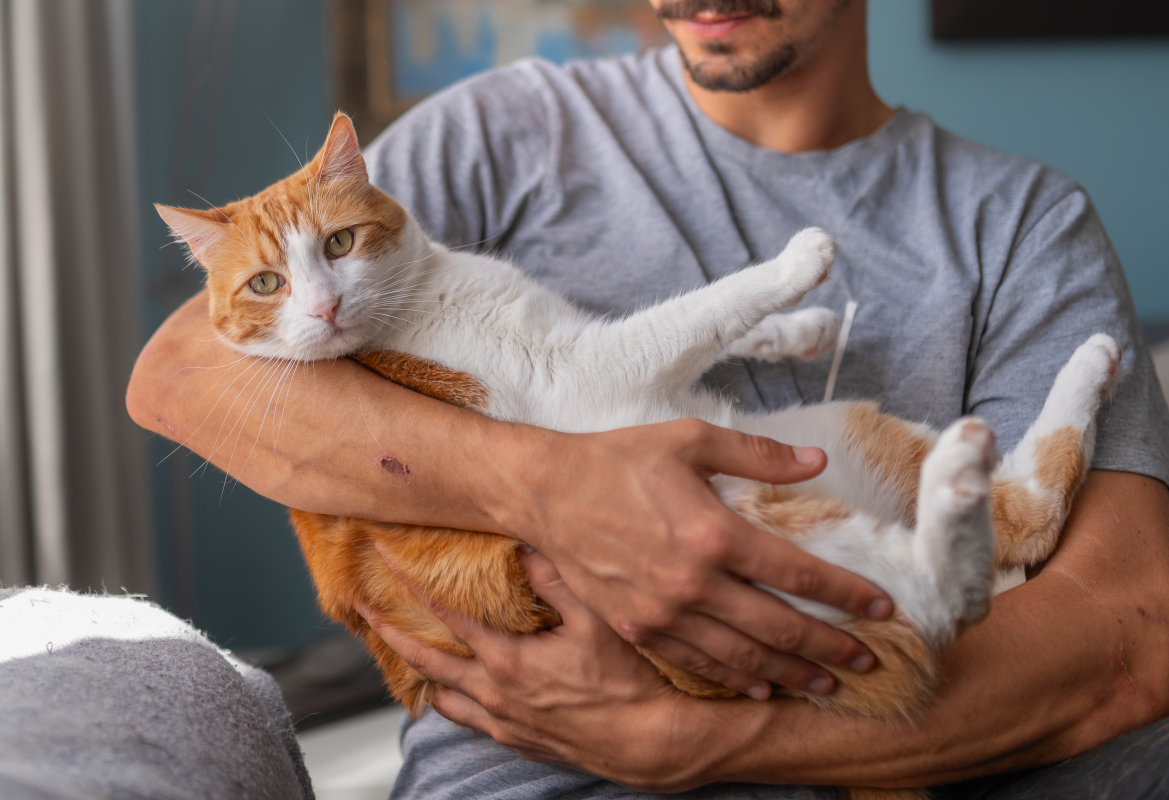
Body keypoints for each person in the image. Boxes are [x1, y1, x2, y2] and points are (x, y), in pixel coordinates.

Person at [126, 0, 1169, 796]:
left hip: (878, 729)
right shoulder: (508, 126)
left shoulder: (1024, 222)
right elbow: (179, 376)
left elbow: (1127, 637)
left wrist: (694, 738)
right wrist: (550, 487)